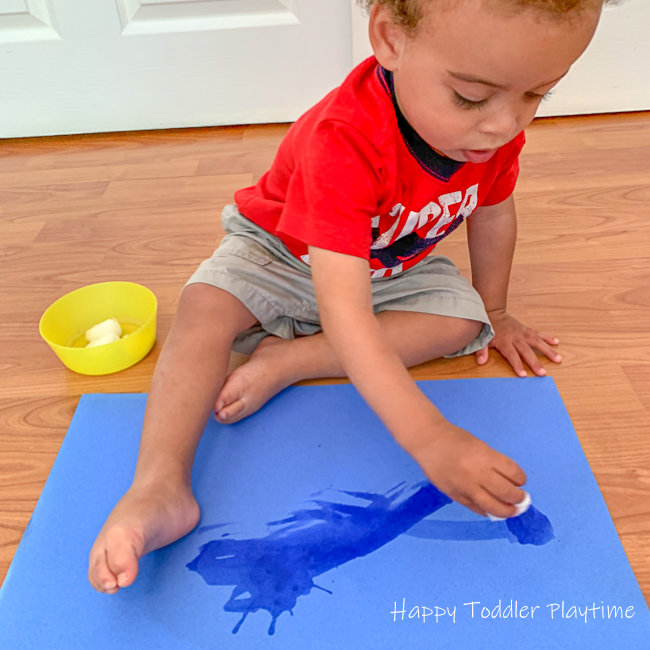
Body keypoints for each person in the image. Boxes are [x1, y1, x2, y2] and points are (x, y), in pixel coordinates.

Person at [88, 0, 607, 594]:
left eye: (538, 95)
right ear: (389, 38)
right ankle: (159, 484)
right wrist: (431, 438)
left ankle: (291, 359)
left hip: (386, 268)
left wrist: (495, 311)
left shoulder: (494, 128)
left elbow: (492, 210)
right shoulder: (345, 138)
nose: (504, 125)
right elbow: (345, 310)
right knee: (204, 310)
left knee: (461, 321)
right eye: (470, 97)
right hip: (285, 253)